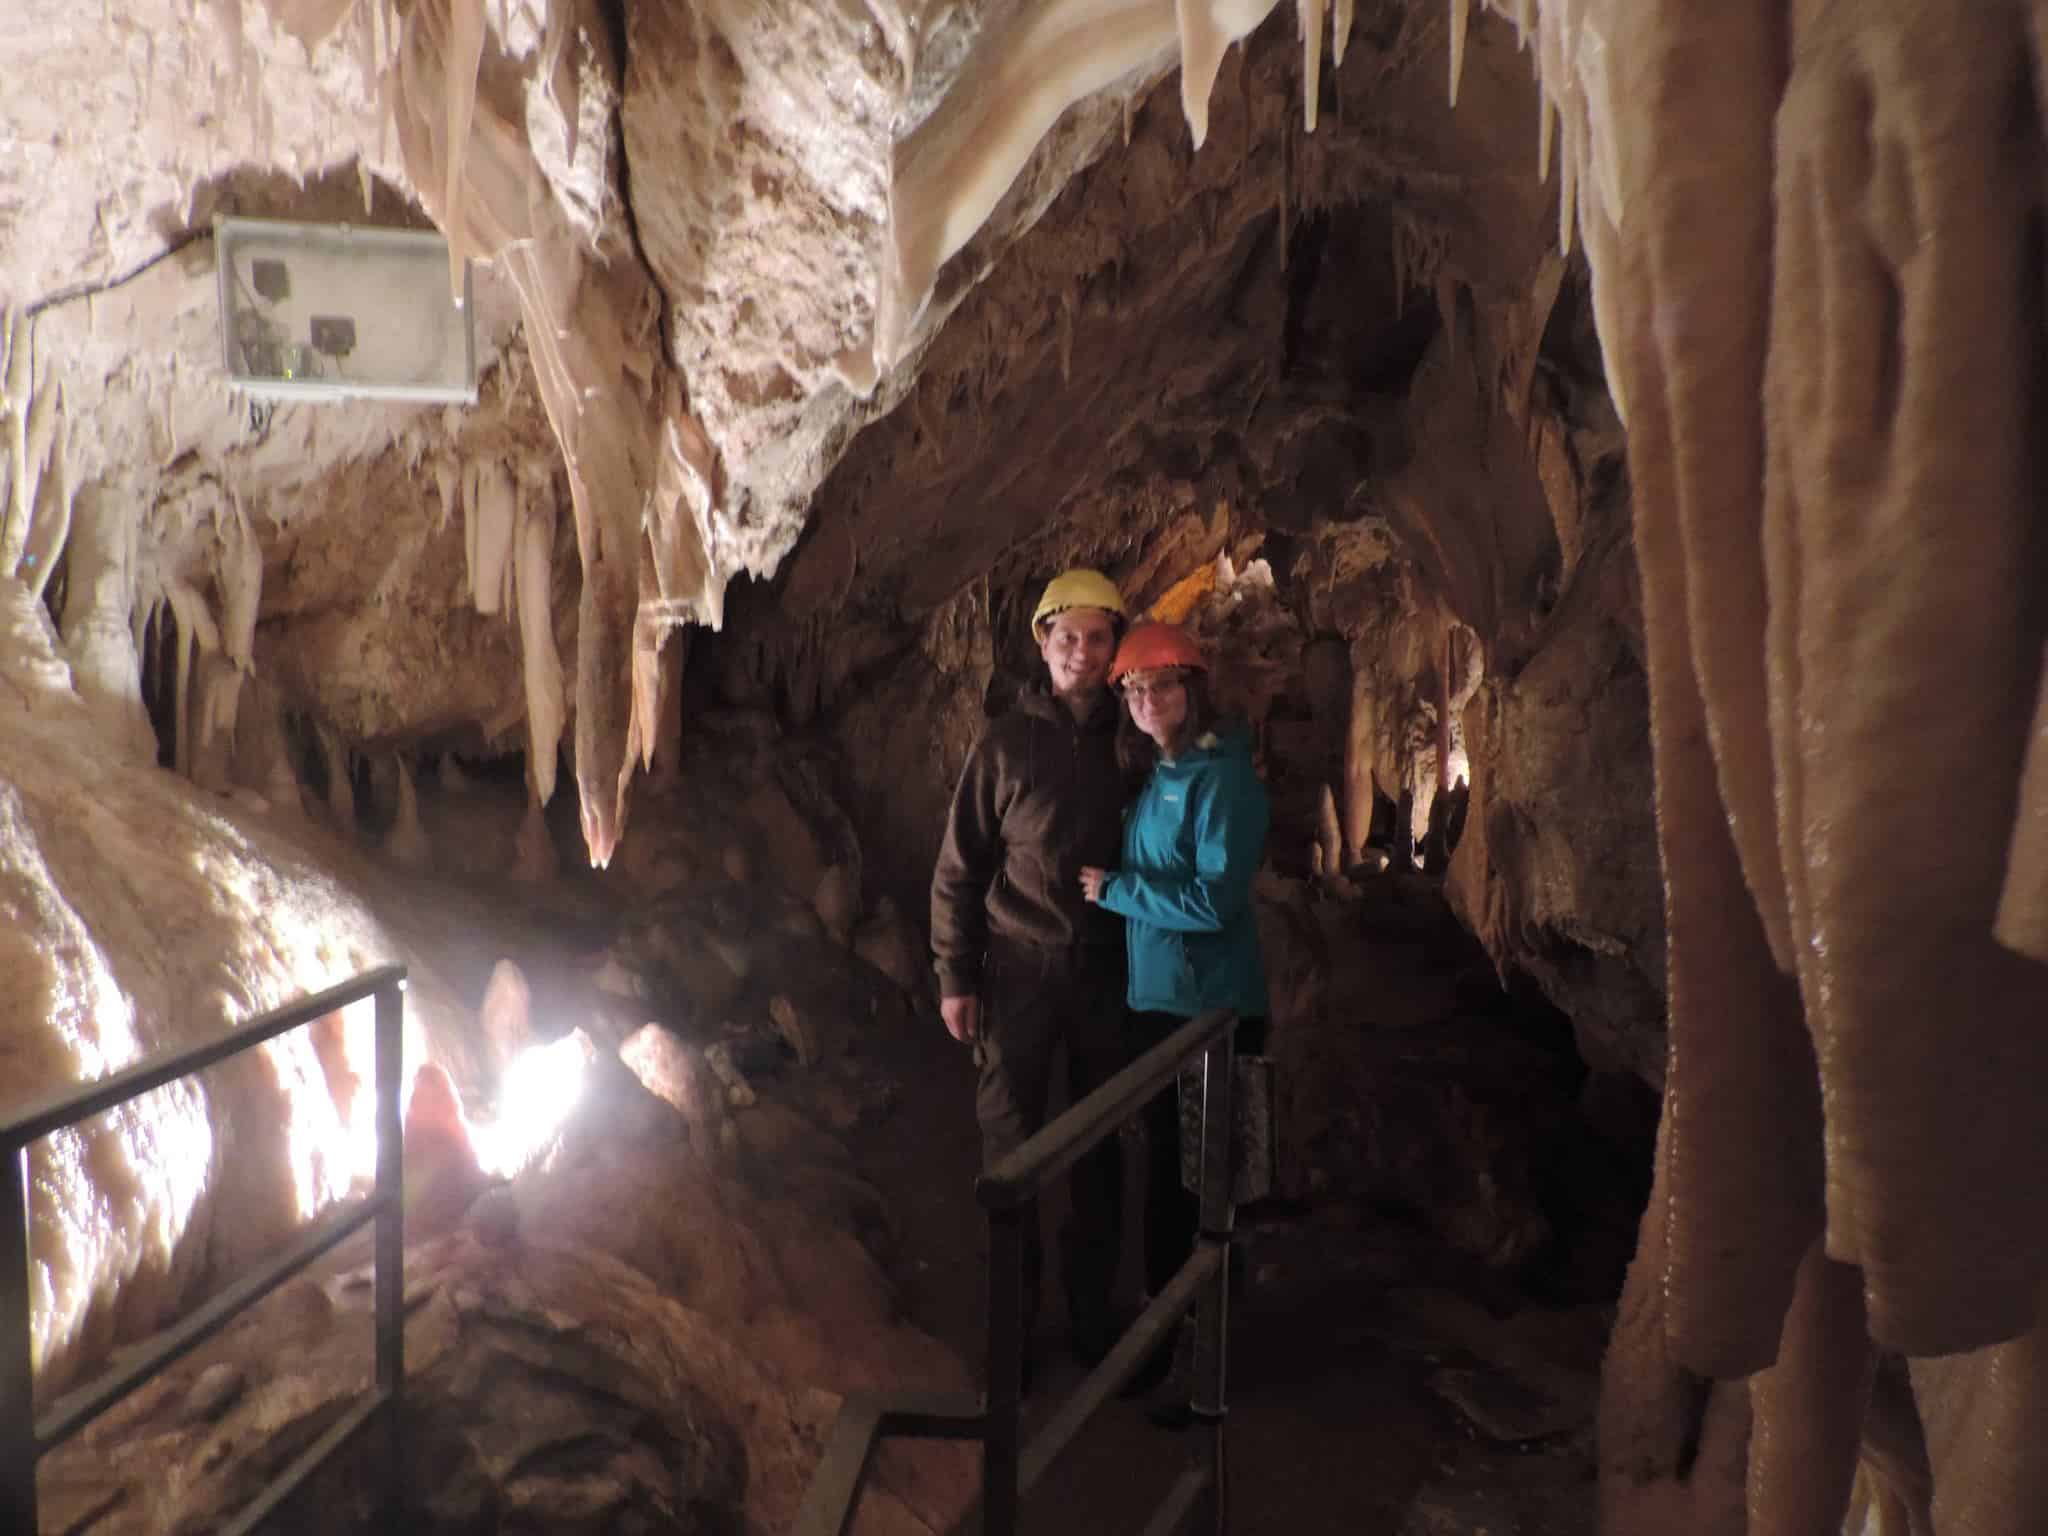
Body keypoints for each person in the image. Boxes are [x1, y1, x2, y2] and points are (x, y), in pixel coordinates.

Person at [931, 568, 1133, 1375]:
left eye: (1097, 637)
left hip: (1105, 971)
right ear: (1043, 645)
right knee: (1010, 1151)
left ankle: (1094, 1323)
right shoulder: (1006, 744)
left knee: (1099, 1152)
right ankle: (1011, 1332)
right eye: (1067, 637)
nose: (1081, 652)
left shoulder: (1136, 738)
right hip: (1017, 972)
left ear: (1115, 646)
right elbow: (960, 868)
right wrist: (955, 976)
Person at [1079, 620, 1270, 1426]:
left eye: (1162, 685)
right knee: (1165, 1182)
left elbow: (1214, 900)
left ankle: (1204, 1363)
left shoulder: (1222, 780)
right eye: (1134, 688)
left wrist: (1113, 891)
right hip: (1160, 1008)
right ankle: (1167, 1346)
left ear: (1194, 689)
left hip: (1212, 1017)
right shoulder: (1161, 772)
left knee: (1204, 1191)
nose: (1147, 699)